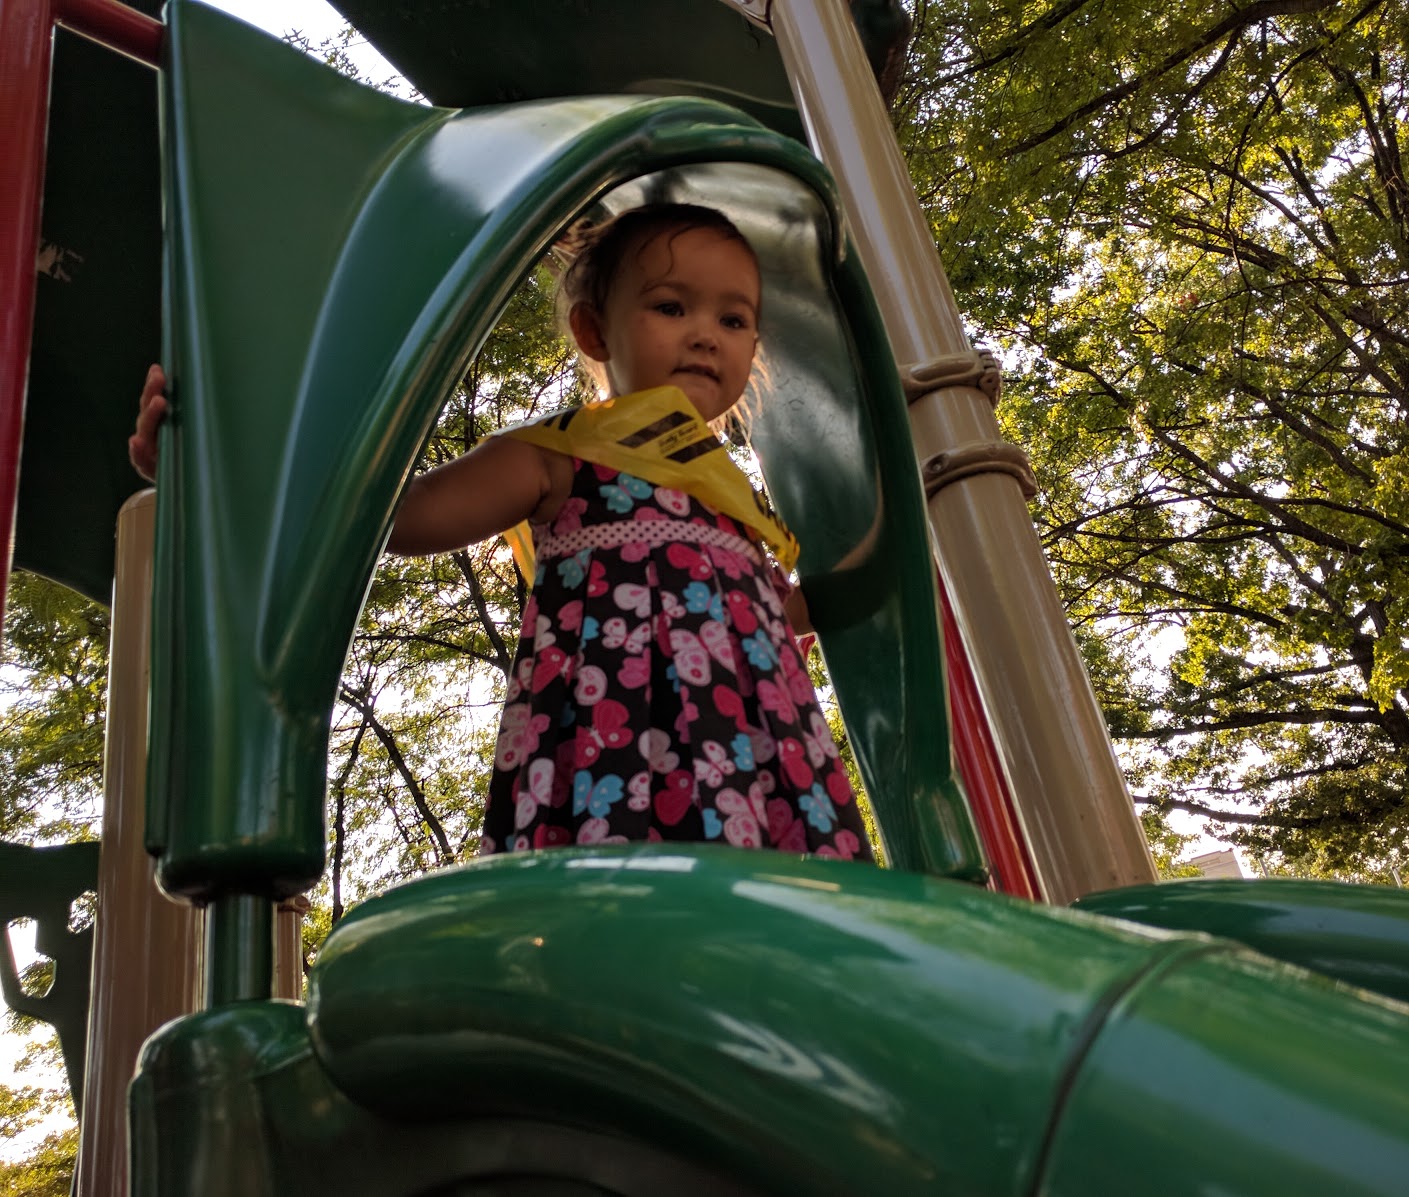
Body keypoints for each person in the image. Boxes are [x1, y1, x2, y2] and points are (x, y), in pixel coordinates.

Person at [131, 203, 871, 861]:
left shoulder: (733, 497)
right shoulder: (560, 455)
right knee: (634, 919)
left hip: (760, 759)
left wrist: (892, 542)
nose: (707, 336)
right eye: (672, 307)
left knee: (785, 916)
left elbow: (775, 612)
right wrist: (225, 465)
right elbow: (399, 518)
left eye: (734, 320)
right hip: (615, 753)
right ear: (593, 327)